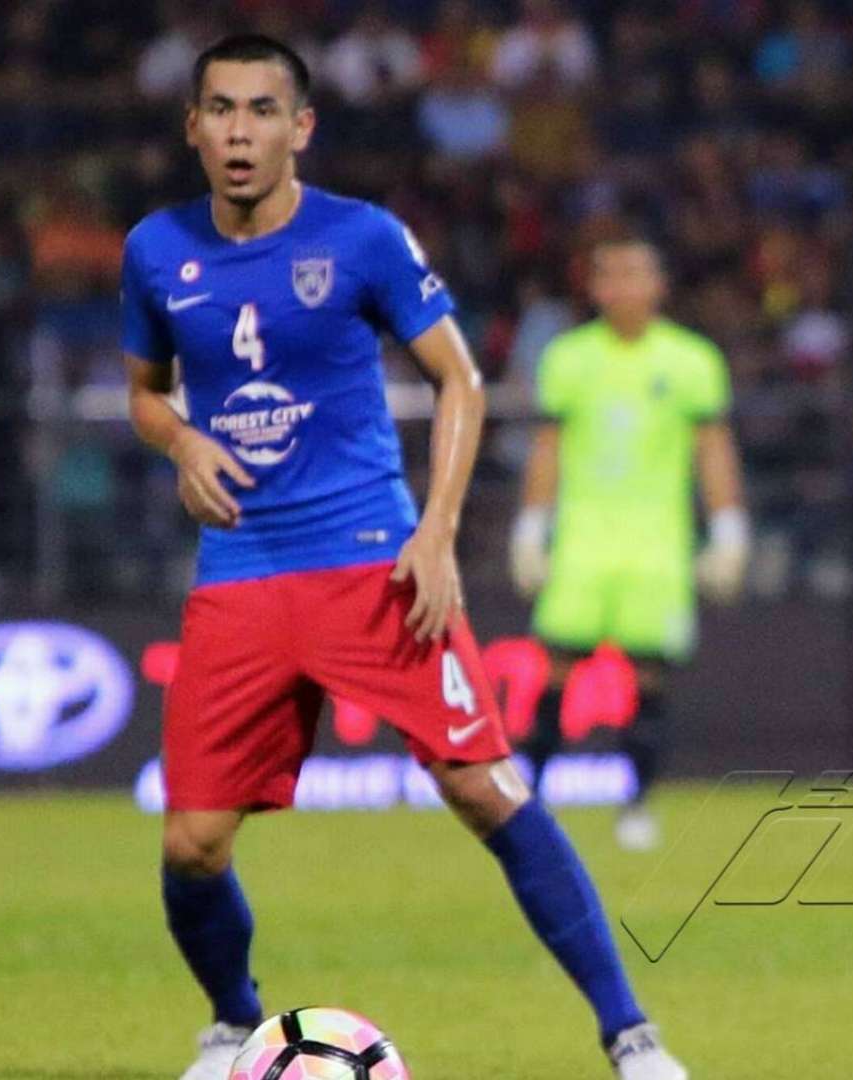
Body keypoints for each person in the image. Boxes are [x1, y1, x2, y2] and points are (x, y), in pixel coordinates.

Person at [120, 35, 684, 1080]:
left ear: (302, 128)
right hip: (240, 573)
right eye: (222, 111)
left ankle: (631, 1036)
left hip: (370, 559)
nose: (242, 132)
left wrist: (436, 532)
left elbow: (461, 381)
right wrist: (180, 437)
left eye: (262, 110)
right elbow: (145, 391)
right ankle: (234, 1019)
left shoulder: (365, 237)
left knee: (487, 791)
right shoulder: (157, 250)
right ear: (192, 126)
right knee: (192, 844)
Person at [509, 236, 747, 851]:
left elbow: (712, 449)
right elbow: (549, 446)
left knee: (650, 678)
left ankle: (637, 804)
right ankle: (530, 800)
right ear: (595, 287)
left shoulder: (692, 361)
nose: (623, 287)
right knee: (556, 667)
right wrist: (532, 526)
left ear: (659, 284)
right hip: (583, 540)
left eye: (635, 273)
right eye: (610, 275)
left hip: (657, 544)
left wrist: (727, 527)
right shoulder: (568, 358)